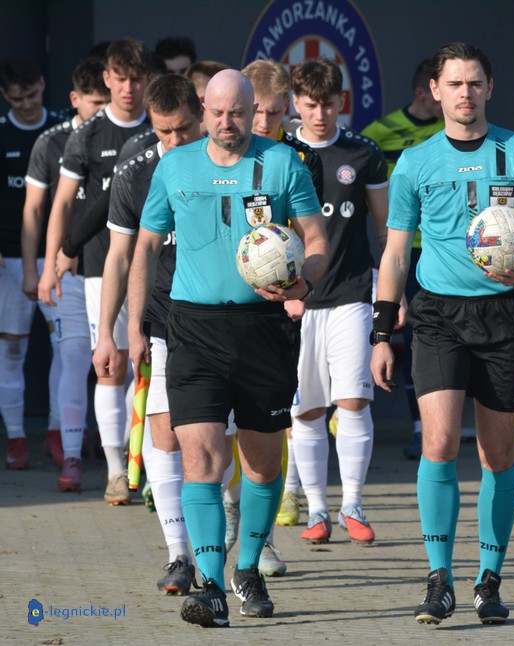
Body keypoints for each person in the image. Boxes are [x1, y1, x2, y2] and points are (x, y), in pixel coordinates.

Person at [131, 69, 329, 627]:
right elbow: (145, 247)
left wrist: (305, 282)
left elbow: (316, 238)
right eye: (217, 113)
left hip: (264, 327)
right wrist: (134, 325)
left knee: (261, 464)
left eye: (238, 112)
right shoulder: (175, 166)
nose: (227, 123)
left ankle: (249, 568)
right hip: (192, 328)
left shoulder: (284, 163)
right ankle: (212, 586)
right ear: (203, 110)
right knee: (201, 458)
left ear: (253, 110)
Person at [370, 41, 514, 625]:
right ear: (435, 90)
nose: (465, 93)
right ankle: (439, 579)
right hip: (437, 317)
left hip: (503, 314)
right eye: (454, 83)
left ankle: (489, 579)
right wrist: (382, 329)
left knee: (497, 453)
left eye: (475, 82)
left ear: (490, 88)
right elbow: (396, 252)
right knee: (439, 442)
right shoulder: (415, 161)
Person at [91, 73, 203, 595]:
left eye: (183, 129)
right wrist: (112, 333)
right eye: (163, 132)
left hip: (227, 320)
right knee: (165, 432)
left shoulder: (230, 164)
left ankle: (243, 547)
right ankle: (179, 554)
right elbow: (120, 258)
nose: (174, 141)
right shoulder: (135, 173)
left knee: (224, 442)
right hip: (162, 320)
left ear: (200, 115)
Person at [37, 39, 153, 500]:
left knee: (150, 365)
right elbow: (63, 203)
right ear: (107, 78)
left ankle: (147, 463)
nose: (129, 88)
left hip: (159, 266)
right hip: (102, 267)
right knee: (112, 366)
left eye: (137, 79)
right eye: (120, 79)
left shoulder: (161, 127)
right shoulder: (86, 134)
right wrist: (52, 265)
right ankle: (115, 471)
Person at [288, 57, 389, 545]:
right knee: (306, 410)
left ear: (341, 102)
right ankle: (316, 510)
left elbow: (386, 231)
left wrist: (390, 294)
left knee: (353, 400)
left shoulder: (363, 152)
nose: (320, 114)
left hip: (352, 294)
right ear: (295, 104)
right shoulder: (282, 154)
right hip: (297, 302)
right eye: (310, 105)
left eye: (328, 104)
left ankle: (353, 504)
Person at [233, 57, 324, 575]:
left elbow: (308, 236)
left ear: (287, 107)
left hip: (277, 309)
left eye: (273, 112)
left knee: (269, 424)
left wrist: (296, 286)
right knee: (222, 426)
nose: (264, 122)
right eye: (257, 112)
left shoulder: (299, 161)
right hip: (220, 310)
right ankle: (228, 510)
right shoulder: (221, 155)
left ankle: (263, 538)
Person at [21, 58, 108, 478]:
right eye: (96, 103)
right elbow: (36, 210)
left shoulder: (130, 139)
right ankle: (69, 452)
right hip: (67, 271)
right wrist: (37, 268)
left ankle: (118, 453)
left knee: (117, 364)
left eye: (107, 102)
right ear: (76, 99)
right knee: (73, 356)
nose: (103, 111)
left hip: (111, 268)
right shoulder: (51, 142)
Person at [361, 58, 444, 460]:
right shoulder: (378, 135)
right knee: (410, 338)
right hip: (403, 248)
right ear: (421, 93)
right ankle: (419, 428)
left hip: (442, 249)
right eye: (437, 94)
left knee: (432, 338)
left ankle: (436, 427)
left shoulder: (450, 132)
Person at [0, 57, 63, 469]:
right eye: (16, 99)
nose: (26, 105)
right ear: (5, 96)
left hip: (58, 258)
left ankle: (59, 432)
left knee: (66, 349)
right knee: (11, 349)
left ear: (42, 84)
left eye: (32, 95)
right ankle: (16, 437)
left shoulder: (60, 129)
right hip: (8, 259)